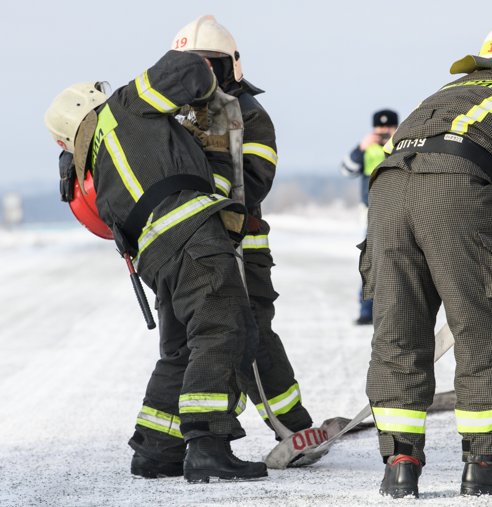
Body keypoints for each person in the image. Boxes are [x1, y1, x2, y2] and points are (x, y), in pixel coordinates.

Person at [361, 22, 492, 498]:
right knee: (483, 331)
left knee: (399, 331)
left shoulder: (447, 89)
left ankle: (399, 464)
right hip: (456, 192)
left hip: (388, 193)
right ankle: (484, 464)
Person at [44, 50, 267, 482]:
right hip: (193, 235)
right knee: (224, 328)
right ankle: (207, 445)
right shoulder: (125, 105)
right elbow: (185, 68)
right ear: (93, 101)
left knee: (184, 349)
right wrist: (205, 99)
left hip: (156, 258)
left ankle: (156, 450)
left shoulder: (94, 162)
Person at [168, 16, 322, 469]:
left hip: (239, 248)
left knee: (251, 337)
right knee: (194, 343)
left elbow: (251, 182)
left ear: (230, 67)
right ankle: (170, 442)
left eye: (207, 66)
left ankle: (294, 428)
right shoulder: (172, 117)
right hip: (186, 251)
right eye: (186, 67)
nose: (197, 77)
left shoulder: (247, 115)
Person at [340, 110, 398, 325]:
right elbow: (346, 170)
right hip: (373, 213)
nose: (384, 132)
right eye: (380, 129)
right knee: (371, 263)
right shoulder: (366, 147)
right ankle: (367, 311)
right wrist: (361, 148)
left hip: (398, 210)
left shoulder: (401, 143)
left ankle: (395, 312)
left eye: (388, 128)